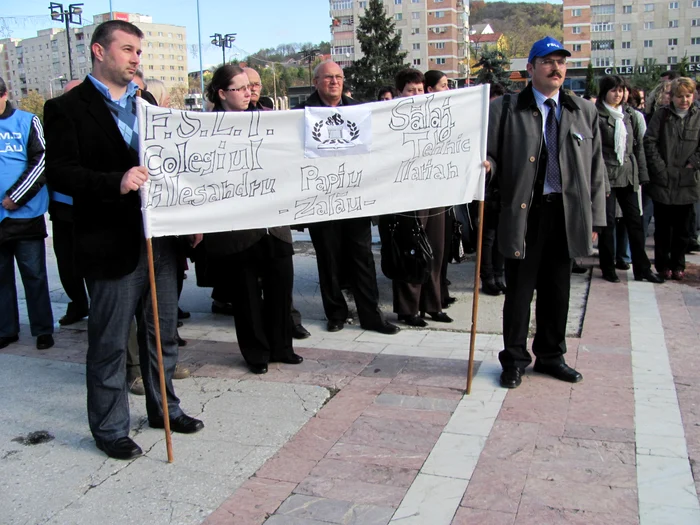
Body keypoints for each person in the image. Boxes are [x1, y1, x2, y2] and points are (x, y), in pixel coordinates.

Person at [44, 20, 203, 461]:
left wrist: (190, 214)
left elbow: (173, 164)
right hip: (108, 243)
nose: (137, 59)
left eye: (139, 52)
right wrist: (115, 182)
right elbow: (60, 171)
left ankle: (164, 409)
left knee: (162, 334)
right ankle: (111, 428)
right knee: (111, 344)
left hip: (160, 243)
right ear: (99, 51)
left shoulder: (147, 103)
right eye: (128, 50)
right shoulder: (67, 108)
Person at [486, 36, 607, 389]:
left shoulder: (582, 110)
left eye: (561, 62)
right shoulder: (507, 109)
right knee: (520, 292)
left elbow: (597, 170)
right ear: (531, 68)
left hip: (566, 214)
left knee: (558, 290)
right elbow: (490, 153)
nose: (556, 68)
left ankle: (552, 356)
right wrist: (489, 166)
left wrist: (596, 218)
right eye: (547, 61)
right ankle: (514, 360)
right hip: (525, 213)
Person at [202, 65, 303, 375]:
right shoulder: (205, 128)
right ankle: (256, 353)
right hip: (238, 227)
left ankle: (282, 347)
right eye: (241, 88)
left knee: (281, 286)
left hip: (275, 224)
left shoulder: (269, 121)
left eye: (251, 87)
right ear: (221, 93)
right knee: (245, 293)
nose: (249, 92)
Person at [294, 60, 399, 335]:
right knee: (327, 260)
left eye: (338, 77)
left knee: (362, 258)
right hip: (319, 198)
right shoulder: (299, 114)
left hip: (355, 197)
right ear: (315, 82)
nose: (334, 82)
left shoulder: (359, 110)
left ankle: (370, 314)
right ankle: (336, 313)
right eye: (328, 77)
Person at [243, 67, 310, 340]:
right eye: (247, 84)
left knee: (281, 273)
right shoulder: (223, 119)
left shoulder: (274, 117)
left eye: (257, 84)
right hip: (245, 214)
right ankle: (261, 332)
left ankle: (288, 322)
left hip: (275, 209)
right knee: (250, 280)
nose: (253, 89)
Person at [385, 69, 451, 327]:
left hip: (435, 189)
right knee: (411, 250)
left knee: (435, 250)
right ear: (400, 92)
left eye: (420, 90)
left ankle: (433, 304)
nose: (416, 95)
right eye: (410, 90)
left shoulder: (437, 113)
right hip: (407, 193)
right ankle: (407, 309)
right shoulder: (392, 118)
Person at [0, 76, 55, 351]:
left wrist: (15, 197)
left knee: (33, 274)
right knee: (1, 277)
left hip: (25, 215)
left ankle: (43, 329)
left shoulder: (27, 121)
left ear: (4, 95)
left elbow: (41, 161)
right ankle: (6, 328)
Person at [595, 76, 661, 284]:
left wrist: (643, 175)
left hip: (628, 174)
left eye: (621, 90)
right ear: (605, 92)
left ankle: (642, 268)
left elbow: (638, 147)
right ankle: (608, 266)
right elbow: (595, 151)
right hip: (606, 175)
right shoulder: (596, 115)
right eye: (614, 90)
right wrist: (599, 180)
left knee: (635, 222)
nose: (618, 94)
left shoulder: (630, 115)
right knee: (607, 223)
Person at [644, 77, 700, 281]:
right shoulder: (662, 116)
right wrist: (660, 168)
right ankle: (662, 265)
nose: (684, 100)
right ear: (672, 98)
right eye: (680, 96)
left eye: (688, 95)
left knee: (683, 229)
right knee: (663, 229)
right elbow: (649, 143)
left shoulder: (698, 117)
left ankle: (678, 264)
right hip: (663, 181)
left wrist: (693, 163)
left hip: (687, 181)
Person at [47, 79, 90, 327]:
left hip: (88, 207)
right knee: (66, 262)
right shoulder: (58, 124)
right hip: (62, 209)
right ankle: (77, 303)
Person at [424, 70, 458, 308]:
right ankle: (428, 299)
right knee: (429, 248)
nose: (447, 90)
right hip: (425, 191)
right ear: (430, 90)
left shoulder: (449, 112)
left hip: (446, 189)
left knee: (443, 246)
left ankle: (440, 291)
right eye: (443, 85)